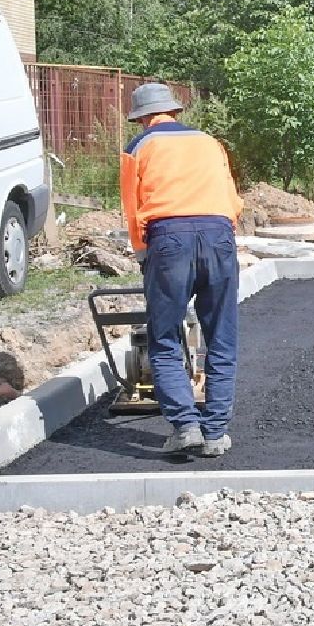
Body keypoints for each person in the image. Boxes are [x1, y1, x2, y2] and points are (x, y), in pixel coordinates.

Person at [120, 82, 244, 458]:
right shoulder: (210, 142)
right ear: (174, 112)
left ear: (142, 118)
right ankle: (216, 432)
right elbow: (232, 198)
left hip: (168, 239)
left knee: (164, 337)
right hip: (219, 235)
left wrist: (143, 253)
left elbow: (132, 206)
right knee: (221, 336)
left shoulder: (138, 148)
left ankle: (186, 426)